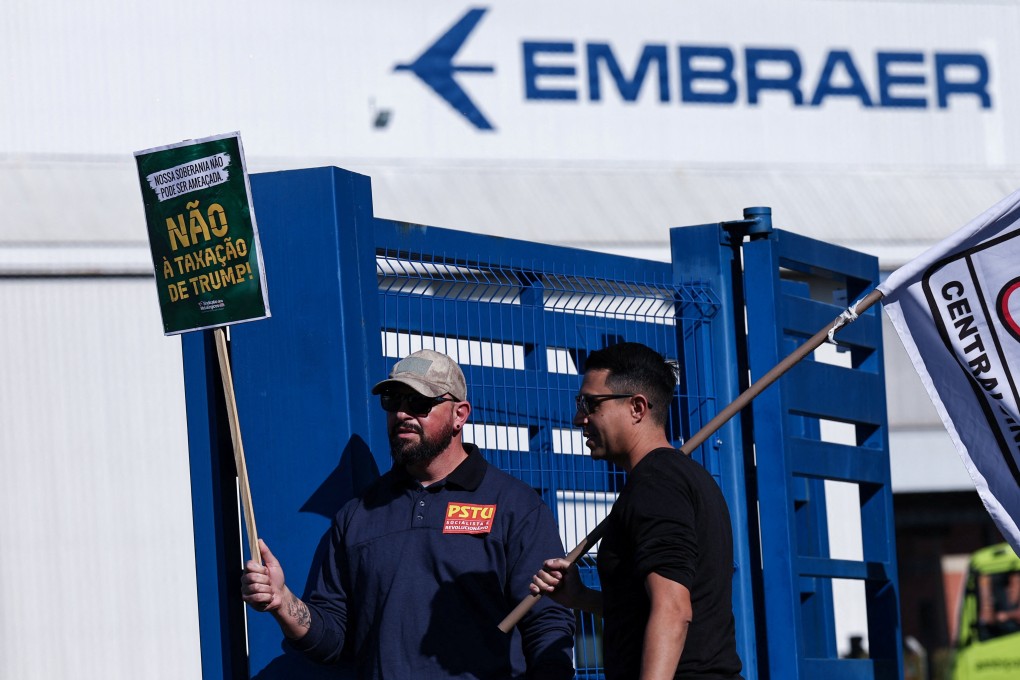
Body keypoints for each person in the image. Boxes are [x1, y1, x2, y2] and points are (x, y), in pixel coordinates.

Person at [242, 349, 575, 679]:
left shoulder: (515, 506)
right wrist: (282, 602)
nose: (402, 414)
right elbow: (333, 641)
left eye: (418, 403)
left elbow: (547, 621)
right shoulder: (358, 515)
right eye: (393, 401)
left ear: (460, 414)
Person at [529, 342, 742, 680]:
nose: (578, 419)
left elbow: (673, 609)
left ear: (637, 407)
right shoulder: (677, 478)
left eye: (590, 403)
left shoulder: (656, 484)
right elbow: (649, 607)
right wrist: (581, 598)